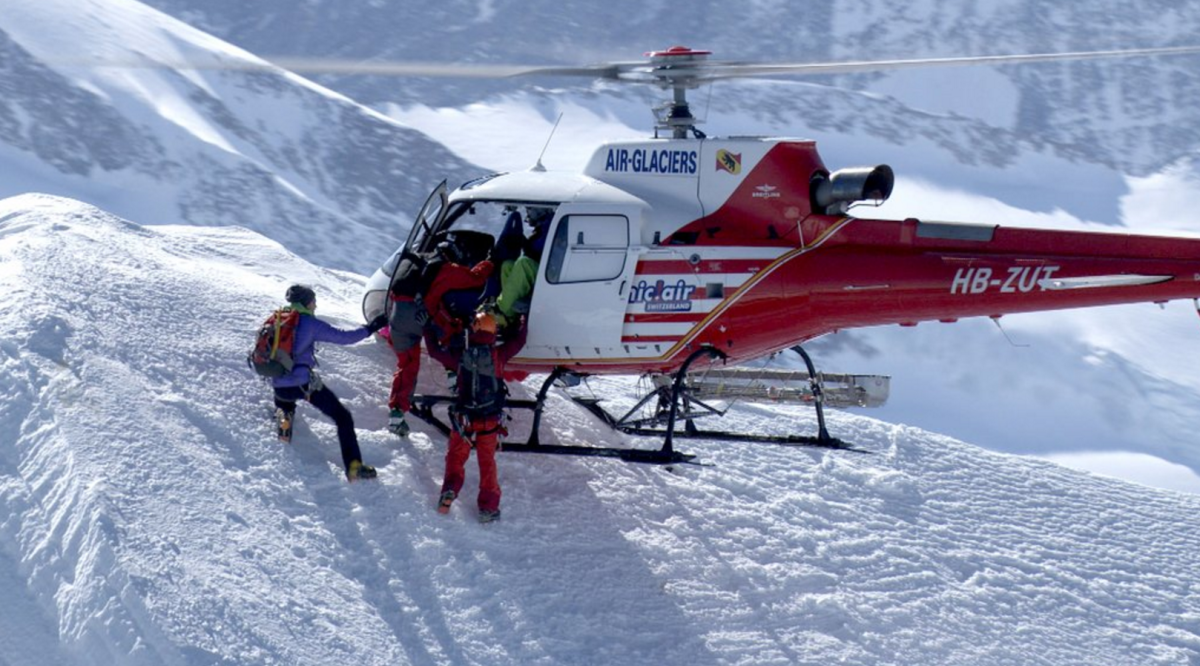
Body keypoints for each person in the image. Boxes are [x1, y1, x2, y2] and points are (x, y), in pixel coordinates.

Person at [272, 284, 387, 482]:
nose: (315, 306)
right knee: (343, 417)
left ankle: (284, 415)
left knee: (286, 393)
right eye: (314, 302)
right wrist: (371, 328)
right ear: (307, 303)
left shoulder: (276, 319)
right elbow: (345, 337)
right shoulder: (309, 323)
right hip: (302, 385)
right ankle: (354, 467)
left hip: (278, 385)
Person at [427, 311, 527, 523]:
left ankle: (450, 490)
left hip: (464, 420)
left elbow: (435, 351)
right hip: (490, 421)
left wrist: (427, 326)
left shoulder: (460, 355)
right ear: (493, 333)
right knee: (487, 463)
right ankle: (488, 508)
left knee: (455, 458)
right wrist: (523, 320)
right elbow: (520, 340)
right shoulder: (498, 355)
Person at [494, 206, 551, 335]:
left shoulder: (550, 224)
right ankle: (510, 315)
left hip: (549, 274)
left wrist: (524, 243)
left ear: (540, 211)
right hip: (542, 269)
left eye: (530, 210)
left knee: (524, 264)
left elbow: (541, 247)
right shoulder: (543, 227)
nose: (528, 214)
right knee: (508, 265)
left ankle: (501, 310)